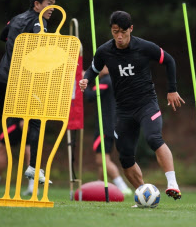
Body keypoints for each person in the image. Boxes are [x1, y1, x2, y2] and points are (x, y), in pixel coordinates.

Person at [79, 11, 185, 200]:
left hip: (146, 104)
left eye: (123, 32)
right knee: (125, 157)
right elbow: (93, 69)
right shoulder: (104, 51)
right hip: (124, 111)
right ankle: (145, 194)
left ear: (131, 29)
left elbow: (169, 60)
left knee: (153, 138)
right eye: (115, 32)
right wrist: (86, 80)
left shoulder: (144, 47)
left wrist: (172, 90)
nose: (119, 37)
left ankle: (173, 184)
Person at [0, 0, 60, 184]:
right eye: (49, 4)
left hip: (2, 77)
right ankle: (33, 167)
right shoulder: (39, 23)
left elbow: (3, 36)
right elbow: (40, 49)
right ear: (36, 4)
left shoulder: (16, 19)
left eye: (54, 5)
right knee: (35, 119)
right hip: (22, 79)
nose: (52, 9)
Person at [84, 67, 132, 196]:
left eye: (103, 65)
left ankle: (122, 186)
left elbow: (90, 96)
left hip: (105, 127)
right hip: (112, 125)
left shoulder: (106, 81)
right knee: (104, 160)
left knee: (102, 160)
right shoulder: (115, 81)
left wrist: (83, 81)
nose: (99, 68)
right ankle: (100, 186)